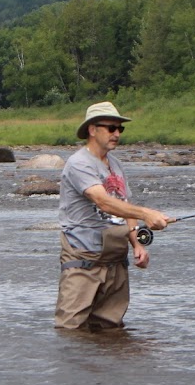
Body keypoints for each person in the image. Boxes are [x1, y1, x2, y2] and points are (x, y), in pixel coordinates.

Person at [56, 101, 173, 330]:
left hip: (115, 259)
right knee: (70, 331)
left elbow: (124, 205)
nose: (117, 133)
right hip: (83, 257)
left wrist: (137, 244)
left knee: (111, 329)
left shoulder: (116, 164)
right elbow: (104, 202)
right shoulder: (78, 163)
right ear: (92, 129)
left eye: (120, 129)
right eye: (111, 128)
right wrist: (146, 213)